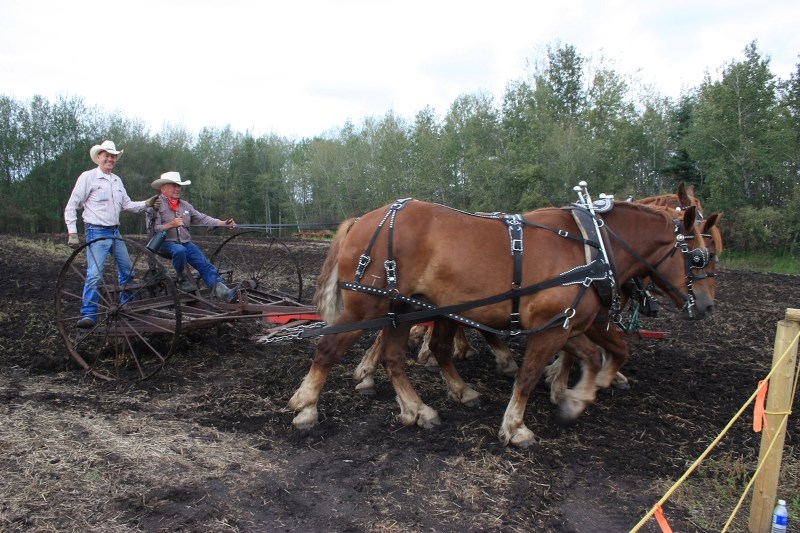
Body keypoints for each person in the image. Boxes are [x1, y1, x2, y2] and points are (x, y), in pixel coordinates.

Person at [64, 140, 160, 328]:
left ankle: (126, 306)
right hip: (96, 232)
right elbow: (71, 205)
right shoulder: (88, 177)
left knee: (127, 271)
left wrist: (146, 203)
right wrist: (72, 232)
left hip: (115, 233)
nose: (110, 158)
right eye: (106, 155)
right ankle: (89, 315)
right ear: (98, 157)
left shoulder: (117, 180)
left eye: (113, 156)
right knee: (94, 274)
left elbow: (127, 205)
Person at [148, 171, 238, 303]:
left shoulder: (185, 205)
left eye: (179, 186)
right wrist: (170, 225)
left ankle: (222, 292)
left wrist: (223, 223)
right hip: (164, 243)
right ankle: (181, 279)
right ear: (163, 188)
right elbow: (153, 229)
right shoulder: (154, 206)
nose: (178, 188)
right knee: (179, 250)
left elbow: (202, 218)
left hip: (184, 242)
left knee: (204, 264)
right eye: (174, 185)